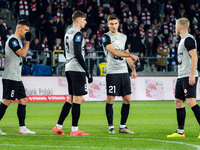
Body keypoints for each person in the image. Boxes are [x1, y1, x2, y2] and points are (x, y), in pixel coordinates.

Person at [52, 10, 93, 136]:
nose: (86, 22)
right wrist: (87, 71)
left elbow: (65, 51)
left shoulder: (68, 33)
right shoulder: (78, 34)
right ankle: (75, 130)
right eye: (84, 19)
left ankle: (58, 126)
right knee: (77, 99)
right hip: (77, 69)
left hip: (69, 67)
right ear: (78, 20)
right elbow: (77, 52)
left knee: (70, 99)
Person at [102, 14, 139, 134]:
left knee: (127, 99)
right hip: (113, 72)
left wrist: (132, 69)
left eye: (115, 23)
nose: (113, 26)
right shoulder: (105, 37)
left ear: (119, 24)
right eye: (111, 24)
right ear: (108, 25)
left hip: (124, 72)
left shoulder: (123, 37)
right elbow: (113, 52)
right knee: (110, 99)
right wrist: (130, 55)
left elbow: (126, 53)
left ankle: (123, 126)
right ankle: (111, 127)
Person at [0, 19, 35, 135]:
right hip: (10, 76)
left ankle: (22, 128)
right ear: (18, 28)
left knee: (23, 100)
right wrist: (28, 41)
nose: (26, 33)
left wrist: (25, 41)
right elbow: (24, 54)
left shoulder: (19, 40)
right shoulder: (12, 40)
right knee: (6, 101)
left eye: (28, 31)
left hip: (16, 77)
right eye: (25, 30)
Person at [167, 18, 200, 138]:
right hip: (181, 76)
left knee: (191, 102)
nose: (175, 28)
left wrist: (192, 75)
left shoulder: (188, 39)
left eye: (176, 26)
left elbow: (195, 57)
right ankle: (180, 131)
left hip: (188, 75)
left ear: (179, 27)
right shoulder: (182, 40)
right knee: (178, 102)